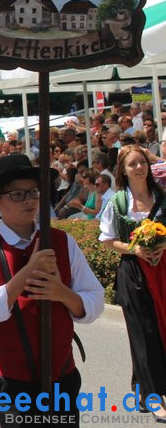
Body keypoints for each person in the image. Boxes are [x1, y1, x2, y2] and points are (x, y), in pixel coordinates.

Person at [0, 154, 104, 427]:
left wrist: (61, 293)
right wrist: (26, 273)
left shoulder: (61, 241)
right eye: (18, 194)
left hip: (61, 376)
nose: (29, 200)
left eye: (33, 192)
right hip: (12, 382)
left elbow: (94, 301)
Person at [99, 144, 166, 419]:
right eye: (132, 165)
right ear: (123, 172)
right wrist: (134, 249)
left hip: (162, 268)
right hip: (133, 272)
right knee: (143, 331)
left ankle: (141, 388)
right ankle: (153, 396)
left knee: (159, 327)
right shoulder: (117, 203)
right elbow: (106, 240)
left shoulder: (161, 197)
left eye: (142, 162)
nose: (139, 168)